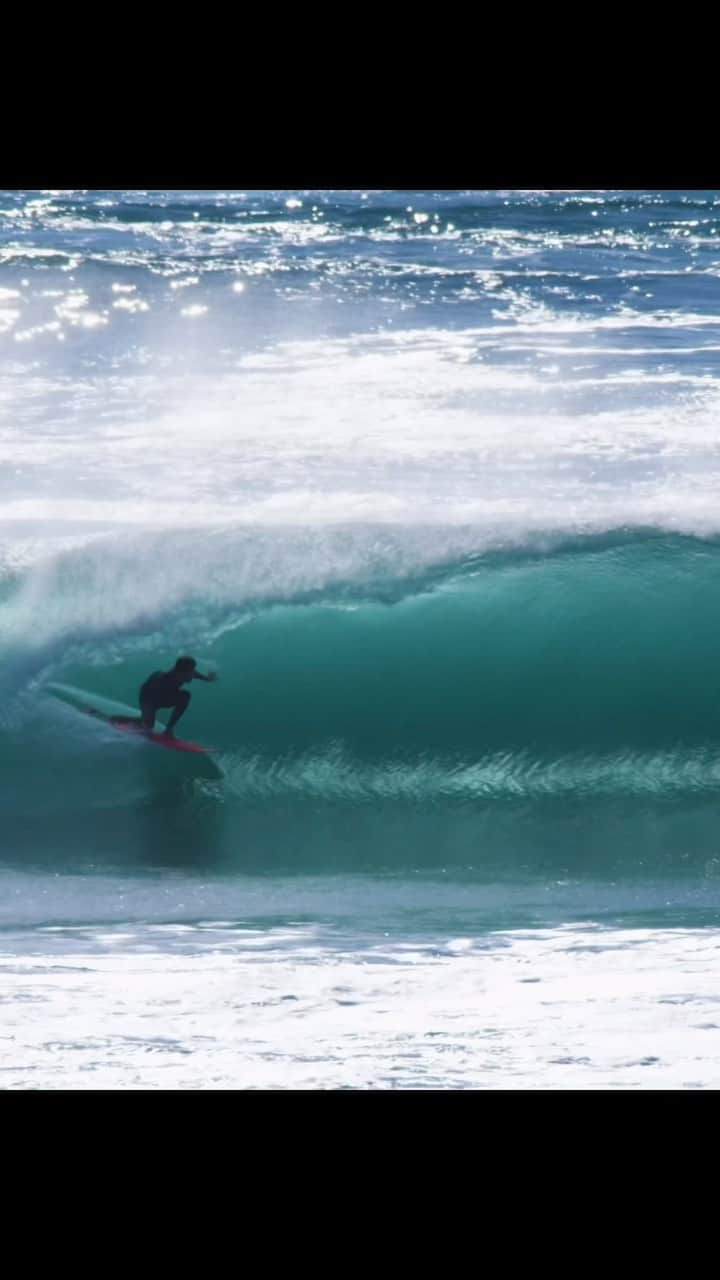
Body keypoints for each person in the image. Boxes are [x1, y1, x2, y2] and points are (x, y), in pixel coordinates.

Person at [138, 656, 217, 737]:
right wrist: (147, 714)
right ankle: (143, 720)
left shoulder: (183, 672)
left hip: (164, 696)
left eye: (192, 670)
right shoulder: (163, 680)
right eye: (190, 672)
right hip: (148, 697)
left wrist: (208, 678)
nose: (192, 674)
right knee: (148, 727)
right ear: (181, 672)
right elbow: (147, 698)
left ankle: (168, 728)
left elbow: (195, 674)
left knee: (185, 696)